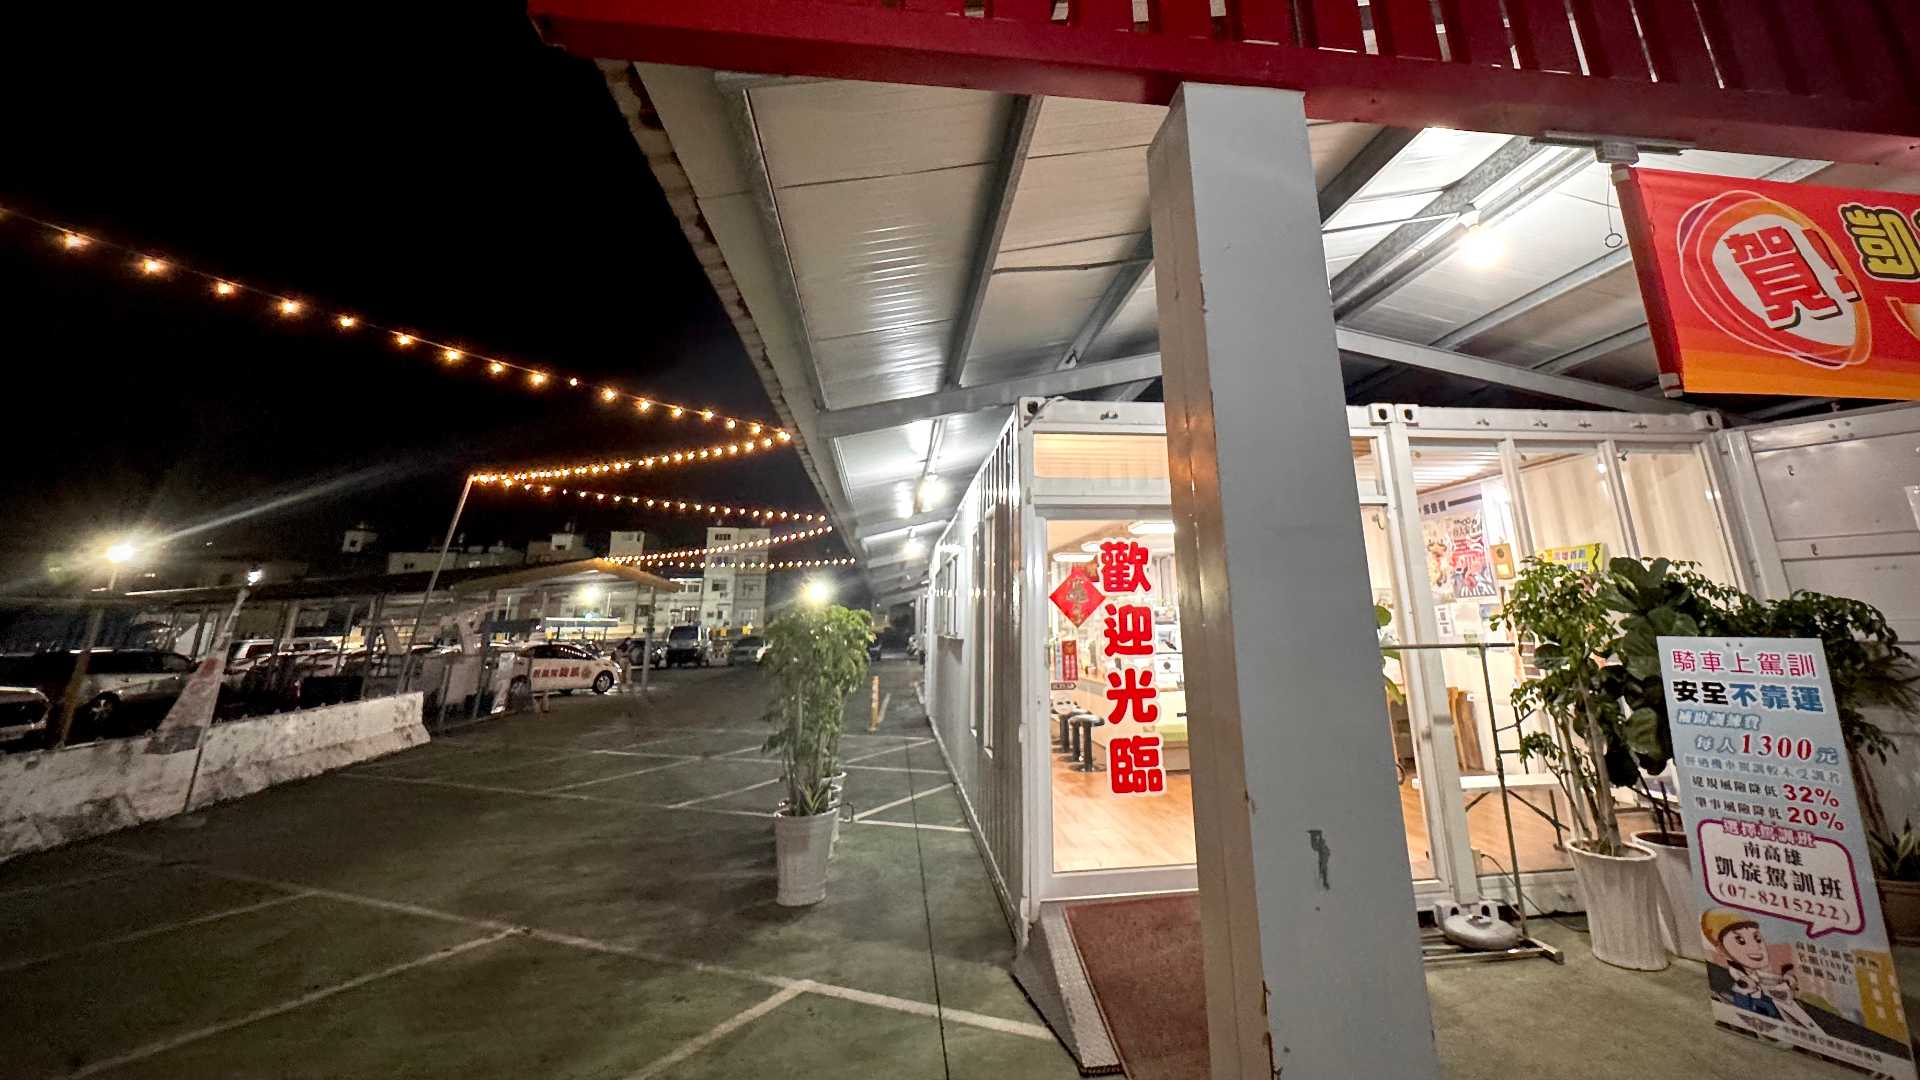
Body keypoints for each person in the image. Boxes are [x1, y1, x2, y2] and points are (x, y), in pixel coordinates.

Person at [1701, 911, 1818, 1030]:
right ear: (1722, 950)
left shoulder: (1769, 967)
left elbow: (1776, 976)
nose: (1756, 947)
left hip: (1775, 996)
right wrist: (1748, 985)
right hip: (1756, 1003)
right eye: (1740, 940)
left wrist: (1788, 979)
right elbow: (1742, 983)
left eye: (1757, 938)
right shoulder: (1736, 973)